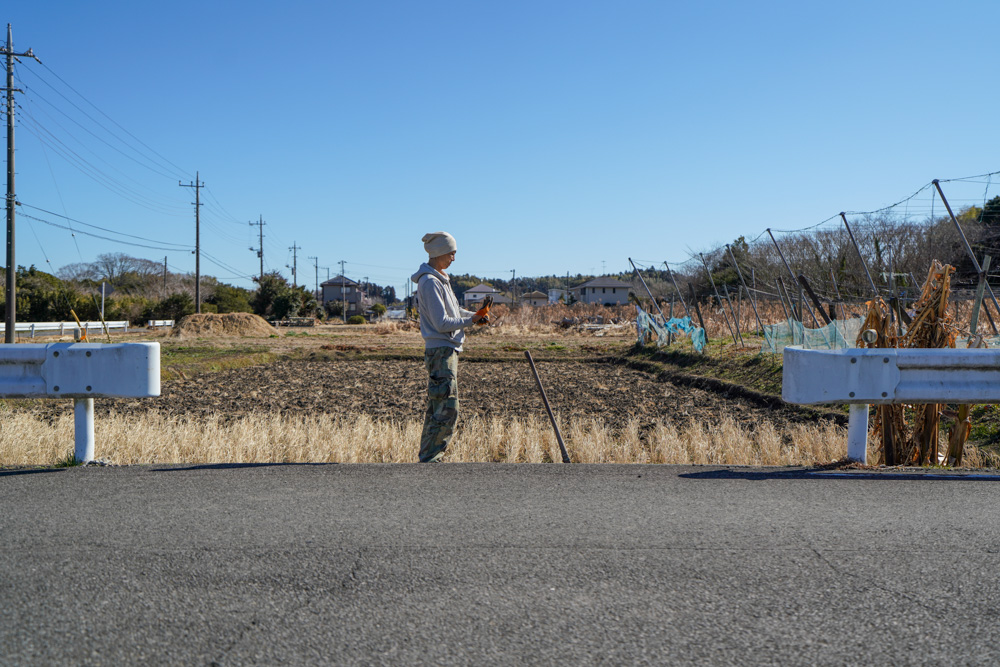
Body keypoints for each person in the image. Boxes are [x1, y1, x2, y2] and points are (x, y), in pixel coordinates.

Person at [411, 232, 487, 463]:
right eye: (452, 252)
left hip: (446, 351)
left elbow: (454, 313)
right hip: (441, 351)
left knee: (440, 406)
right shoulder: (430, 282)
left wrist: (474, 315)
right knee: (446, 408)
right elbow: (442, 323)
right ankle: (432, 459)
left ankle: (429, 457)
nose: (454, 257)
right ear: (440, 253)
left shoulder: (440, 279)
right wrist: (471, 321)